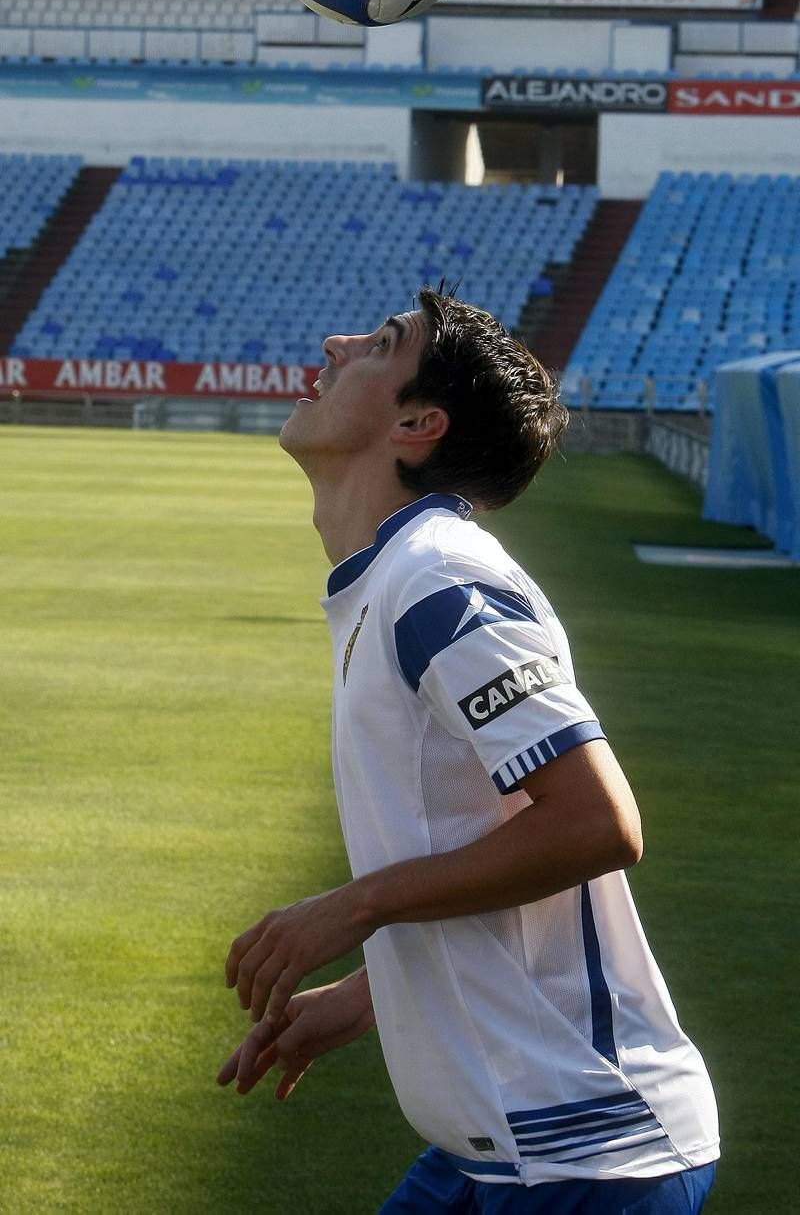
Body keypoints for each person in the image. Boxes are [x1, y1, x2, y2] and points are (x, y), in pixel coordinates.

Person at [216, 287, 719, 1213]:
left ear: (418, 421)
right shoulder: (397, 578)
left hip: (587, 1150)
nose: (336, 337)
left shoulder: (440, 580)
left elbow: (599, 824)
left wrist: (357, 906)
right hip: (500, 1145)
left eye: (382, 342)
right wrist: (376, 993)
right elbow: (474, 830)